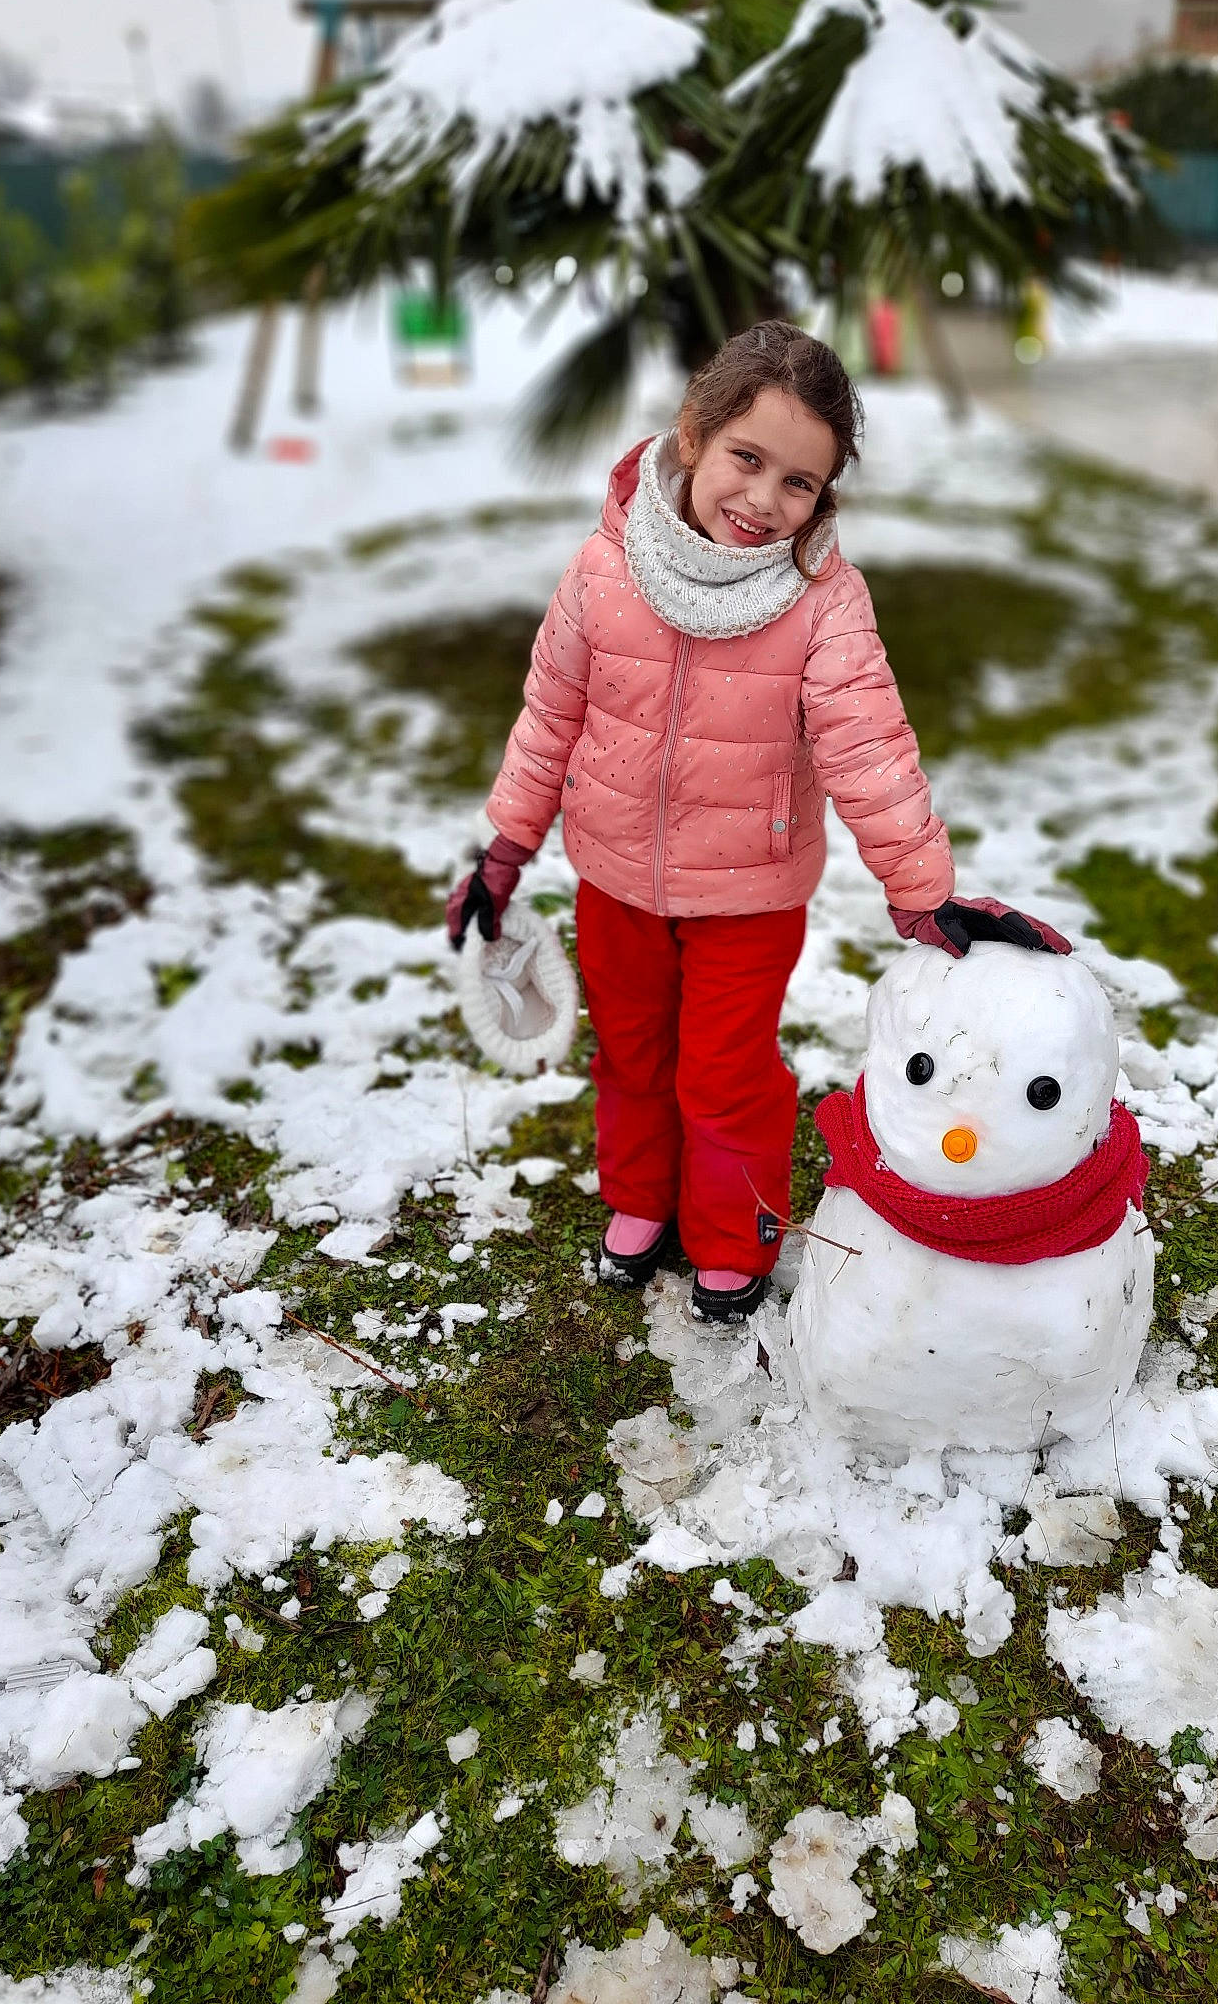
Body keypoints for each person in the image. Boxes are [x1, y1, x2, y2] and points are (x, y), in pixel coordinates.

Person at [447, 320, 1067, 1325]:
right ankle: (641, 1200)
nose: (764, 499)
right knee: (633, 1053)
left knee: (726, 1075)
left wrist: (923, 894)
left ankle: (735, 1238)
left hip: (749, 892)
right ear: (692, 433)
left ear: (825, 498)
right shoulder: (605, 570)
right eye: (747, 457)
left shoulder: (822, 602)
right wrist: (507, 847)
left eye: (799, 483)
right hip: (613, 877)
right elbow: (549, 712)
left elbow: (870, 745)